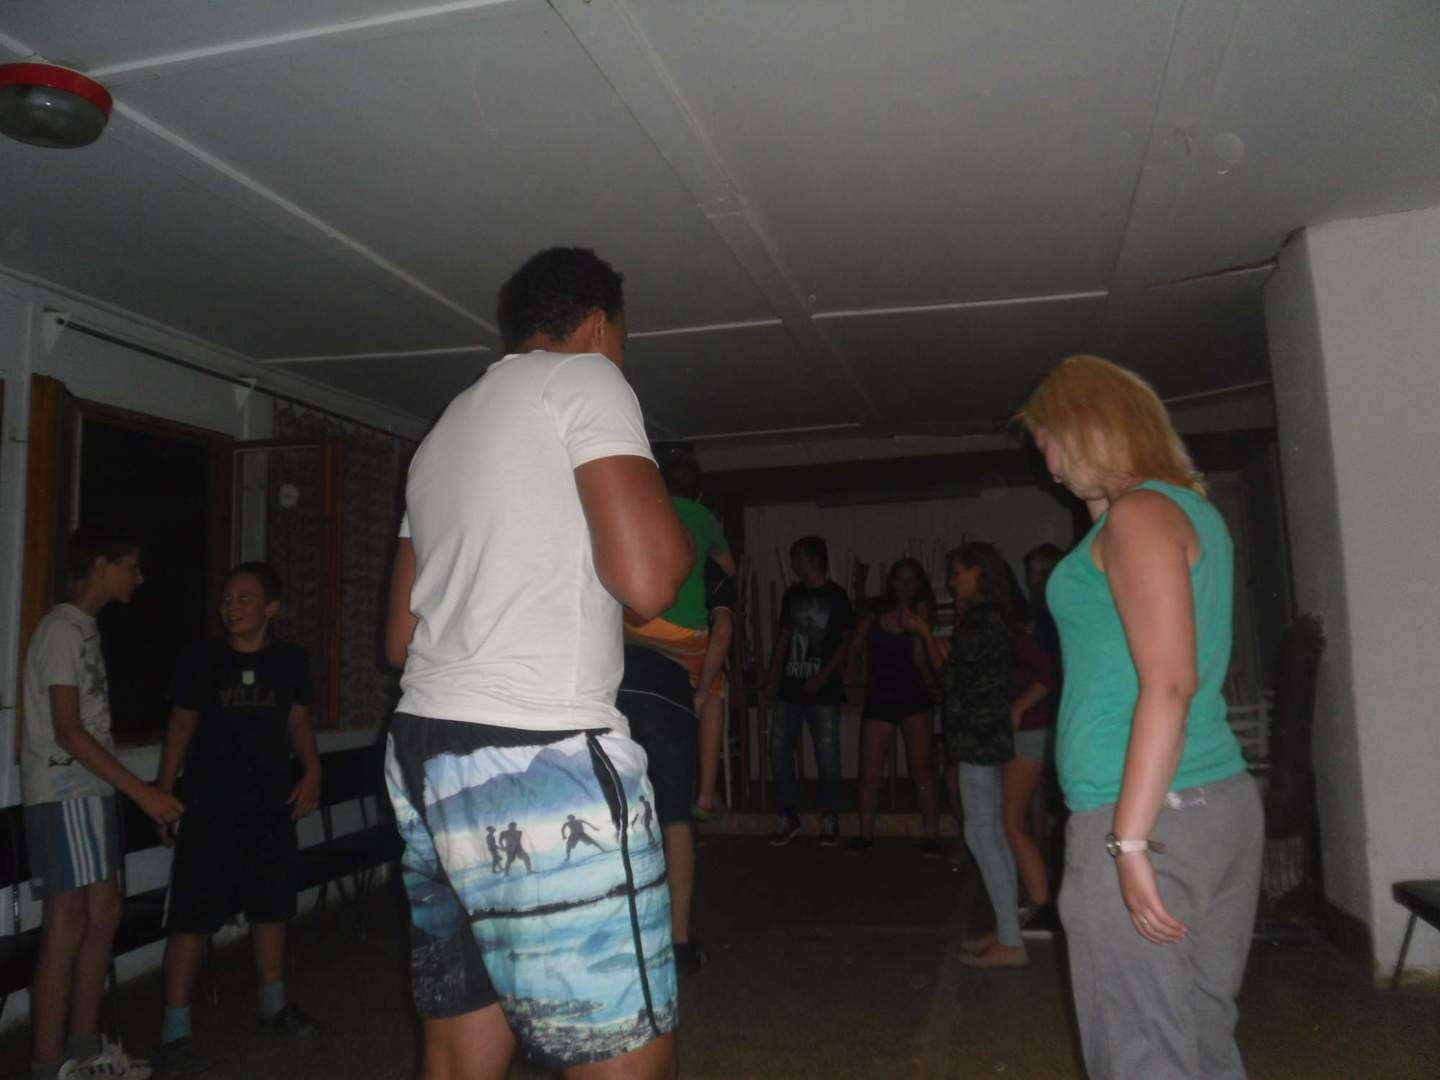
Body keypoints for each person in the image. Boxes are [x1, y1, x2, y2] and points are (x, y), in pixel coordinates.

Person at [383, 246, 692, 1079]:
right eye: (621, 337)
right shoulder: (586, 378)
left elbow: (399, 639)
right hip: (540, 751)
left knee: (460, 1051)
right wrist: (676, 531)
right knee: (621, 1057)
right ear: (595, 325)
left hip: (425, 752)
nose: (620, 354)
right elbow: (650, 581)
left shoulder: (442, 433)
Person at [1019, 354, 1262, 1078]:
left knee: (1142, 1051)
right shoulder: (1180, 511)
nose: (1048, 467)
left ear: (1082, 429)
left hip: (1144, 812)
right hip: (1212, 803)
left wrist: (1126, 842)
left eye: (1047, 443)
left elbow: (1169, 685)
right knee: (1202, 1033)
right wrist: (1103, 496)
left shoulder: (1140, 516)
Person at [22, 521, 180, 1080]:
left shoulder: (84, 628)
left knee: (105, 910)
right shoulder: (61, 630)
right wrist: (144, 794)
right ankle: (49, 1066)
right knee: (66, 921)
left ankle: (85, 1051)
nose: (140, 577)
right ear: (100, 567)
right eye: (131, 566)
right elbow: (68, 731)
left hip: (89, 792)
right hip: (63, 791)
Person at [152, 562, 323, 1073]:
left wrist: (312, 769)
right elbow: (180, 728)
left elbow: (299, 722)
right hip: (208, 809)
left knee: (271, 909)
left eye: (245, 599)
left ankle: (273, 1007)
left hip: (270, 807)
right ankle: (174, 1033)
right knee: (192, 918)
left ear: (272, 608)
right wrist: (163, 792)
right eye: (227, 599)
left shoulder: (291, 661)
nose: (232, 607)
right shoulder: (201, 659)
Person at [906, 543, 1027, 969]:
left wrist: (924, 633)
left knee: (981, 833)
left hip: (977, 734)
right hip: (984, 732)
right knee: (990, 832)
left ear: (979, 573)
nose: (952, 581)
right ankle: (1008, 929)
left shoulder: (981, 619)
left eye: (958, 573)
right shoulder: (990, 616)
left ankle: (1011, 939)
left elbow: (950, 678)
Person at [616, 557, 737, 977]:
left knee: (616, 819)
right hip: (668, 693)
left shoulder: (629, 557)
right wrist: (704, 794)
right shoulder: (707, 569)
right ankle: (678, 941)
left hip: (612, 687)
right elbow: (723, 635)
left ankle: (620, 936)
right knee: (675, 821)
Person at [622, 452, 736, 821]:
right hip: (681, 632)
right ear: (699, 495)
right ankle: (705, 796)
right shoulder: (705, 517)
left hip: (634, 622)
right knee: (716, 687)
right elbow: (729, 569)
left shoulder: (648, 510)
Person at [844, 558, 941, 855]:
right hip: (880, 696)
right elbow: (855, 646)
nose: (905, 586)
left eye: (911, 580)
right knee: (870, 772)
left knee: (922, 769)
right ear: (891, 582)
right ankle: (866, 834)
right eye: (899, 579)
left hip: (913, 696)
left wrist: (918, 623)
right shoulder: (875, 613)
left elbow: (920, 660)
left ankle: (932, 835)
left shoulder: (921, 616)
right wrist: (853, 674)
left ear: (919, 584)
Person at [765, 537, 854, 847]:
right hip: (790, 687)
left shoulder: (837, 595)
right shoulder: (792, 595)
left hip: (824, 690)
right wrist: (773, 676)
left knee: (827, 755)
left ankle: (831, 816)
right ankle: (788, 814)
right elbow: (783, 637)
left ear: (815, 560)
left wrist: (823, 675)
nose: (794, 564)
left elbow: (845, 642)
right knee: (778, 749)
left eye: (798, 557)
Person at [1002, 567, 1060, 926]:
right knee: (1016, 819)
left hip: (1032, 729)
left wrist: (1018, 708)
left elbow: (1047, 675)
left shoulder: (1019, 633)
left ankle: (1042, 904)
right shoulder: (1020, 630)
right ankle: (1036, 898)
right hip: (1030, 729)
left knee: (1012, 821)